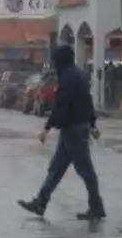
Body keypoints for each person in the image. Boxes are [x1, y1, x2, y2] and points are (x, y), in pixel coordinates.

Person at [19, 45, 105, 220]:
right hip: (74, 129)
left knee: (85, 170)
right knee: (57, 169)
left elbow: (61, 106)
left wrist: (47, 128)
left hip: (73, 130)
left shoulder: (67, 78)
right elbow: (87, 102)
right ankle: (40, 202)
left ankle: (96, 206)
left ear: (60, 60)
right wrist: (93, 124)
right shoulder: (79, 75)